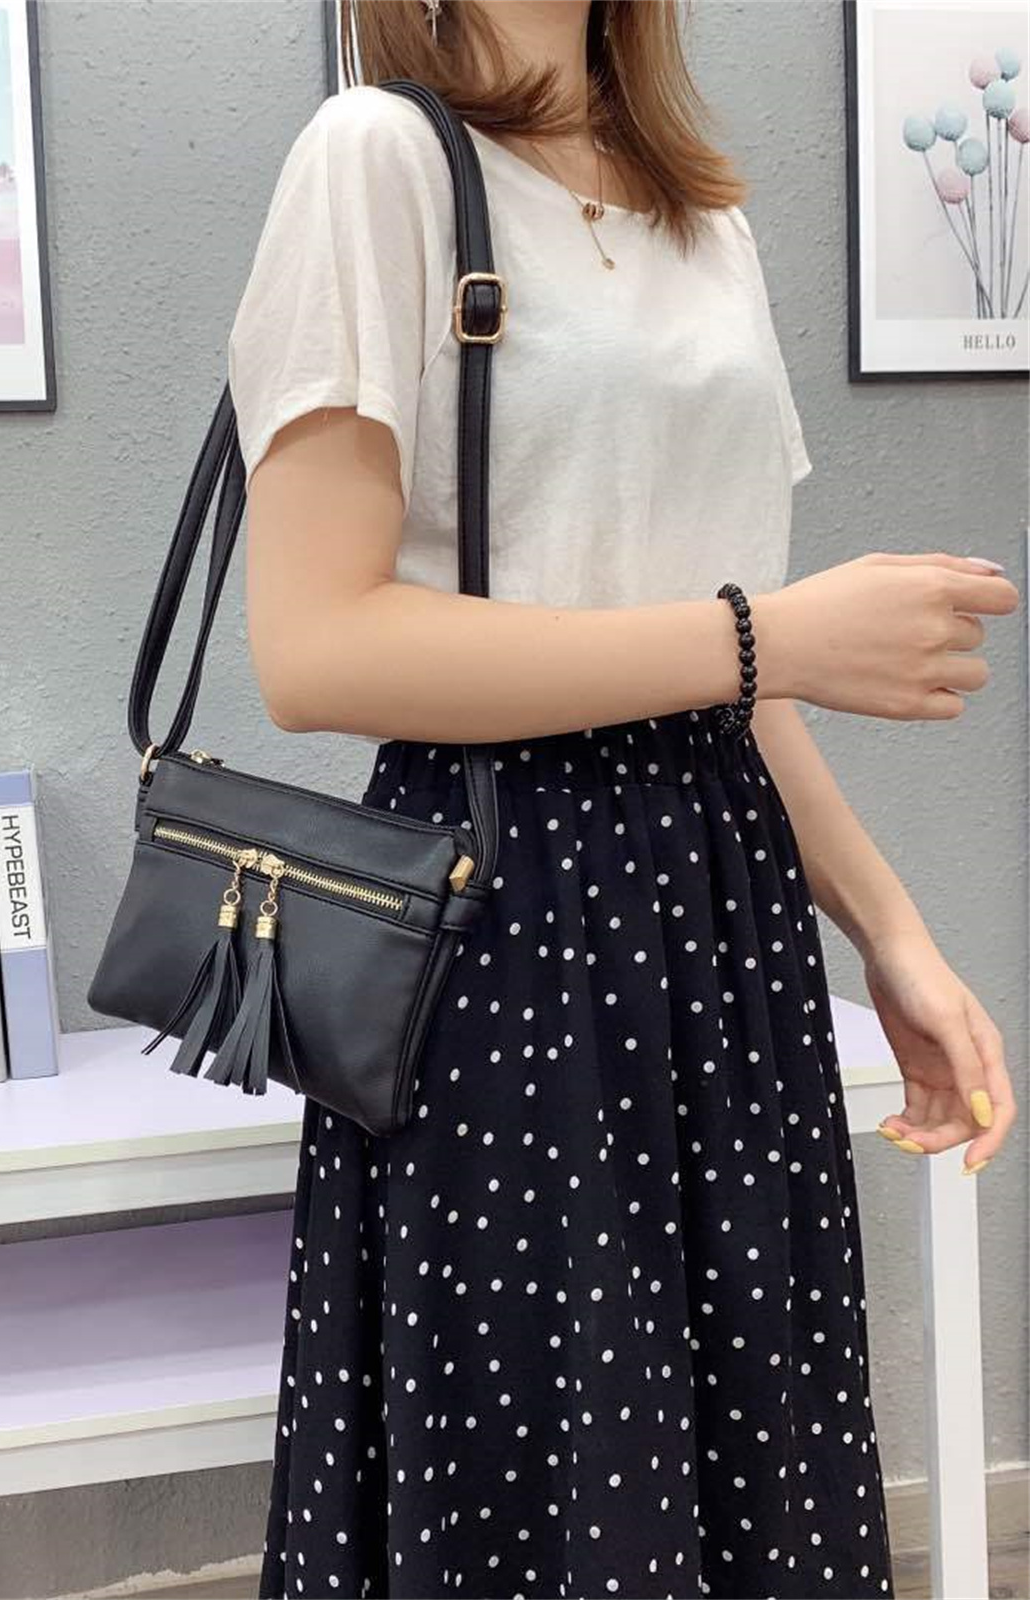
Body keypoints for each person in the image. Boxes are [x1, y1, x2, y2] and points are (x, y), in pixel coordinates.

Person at [224, 2, 1019, 1596]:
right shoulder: (382, 159)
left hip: (726, 927)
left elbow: (728, 675)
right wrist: (766, 636)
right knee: (554, 1474)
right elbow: (312, 649)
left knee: (747, 1452)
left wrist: (893, 936)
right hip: (503, 924)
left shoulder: (701, 216)